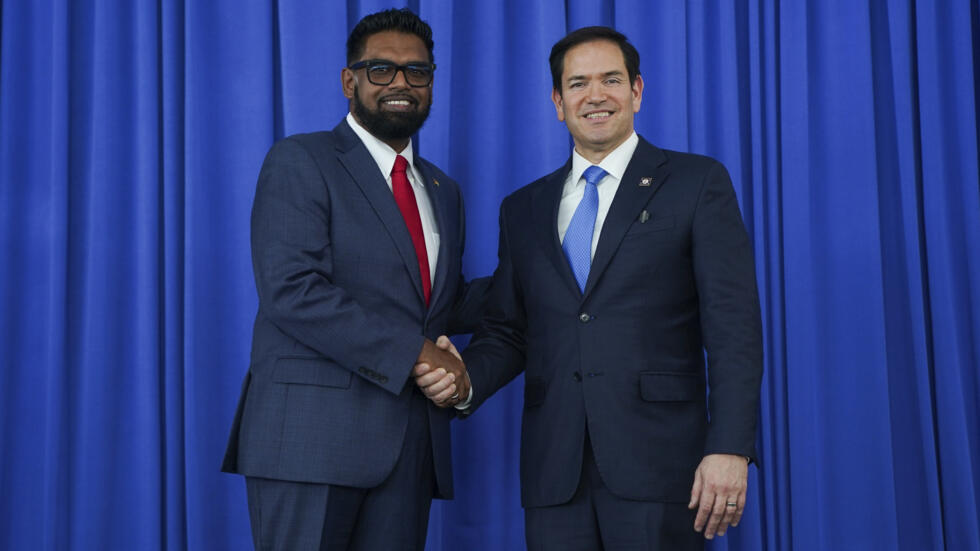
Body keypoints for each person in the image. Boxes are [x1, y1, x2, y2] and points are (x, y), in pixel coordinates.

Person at [416, 26, 763, 550]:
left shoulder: (696, 183)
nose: (595, 95)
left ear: (637, 91)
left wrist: (730, 447)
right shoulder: (523, 208)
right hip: (555, 473)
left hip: (661, 465)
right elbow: (510, 329)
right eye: (578, 84)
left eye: (611, 80)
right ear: (558, 103)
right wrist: (464, 381)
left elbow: (734, 327)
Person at [222, 8, 488, 550]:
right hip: (310, 445)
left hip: (408, 450)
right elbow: (292, 290)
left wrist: (546, 272)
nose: (400, 83)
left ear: (431, 84)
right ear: (350, 81)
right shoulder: (302, 160)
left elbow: (443, 303)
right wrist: (418, 354)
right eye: (381, 69)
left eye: (417, 72)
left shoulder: (443, 190)